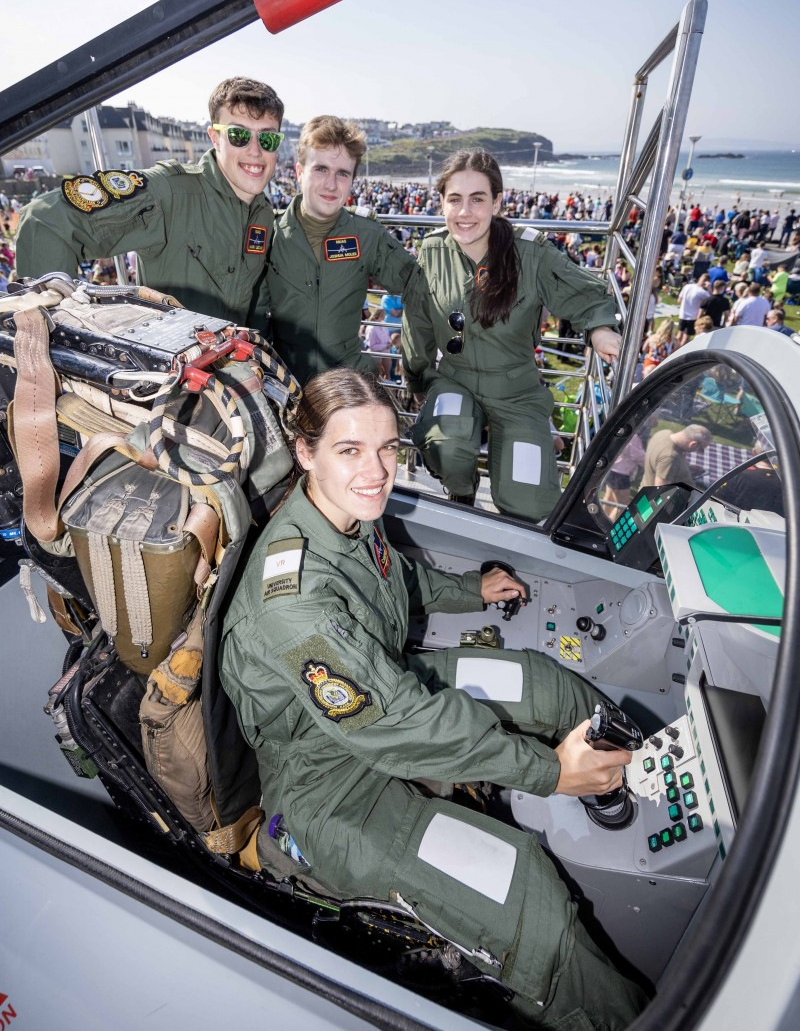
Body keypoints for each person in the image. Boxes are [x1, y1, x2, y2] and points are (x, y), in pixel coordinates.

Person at [220, 370, 646, 1030]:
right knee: (525, 893)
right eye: (351, 450)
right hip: (325, 791)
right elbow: (402, 720)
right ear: (306, 452)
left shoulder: (348, 515)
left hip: (378, 698)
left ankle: (640, 777)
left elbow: (396, 578)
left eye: (389, 447)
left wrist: (471, 591)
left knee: (543, 682)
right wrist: (549, 773)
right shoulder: (296, 601)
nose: (378, 470)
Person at [402, 151, 620, 520]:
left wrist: (599, 328)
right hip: (456, 380)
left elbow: (582, 291)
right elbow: (418, 322)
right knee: (447, 445)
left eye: (477, 199)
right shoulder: (432, 251)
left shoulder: (531, 253)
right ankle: (461, 491)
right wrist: (420, 378)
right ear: (441, 203)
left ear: (497, 202)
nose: (465, 212)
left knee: (528, 499)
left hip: (517, 391)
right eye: (454, 199)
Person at [16, 77, 285, 324]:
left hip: (230, 368)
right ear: (214, 138)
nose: (255, 151)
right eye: (238, 135)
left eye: (268, 138)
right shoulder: (169, 192)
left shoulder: (262, 213)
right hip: (170, 372)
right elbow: (46, 218)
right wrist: (56, 333)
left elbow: (255, 302)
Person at [261, 116, 419, 385]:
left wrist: (417, 360)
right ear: (300, 172)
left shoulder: (367, 235)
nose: (331, 184)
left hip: (348, 384)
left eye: (342, 173)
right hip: (283, 382)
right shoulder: (267, 234)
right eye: (321, 169)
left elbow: (421, 289)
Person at [641, 424, 711, 488]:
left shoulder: (664, 433)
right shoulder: (671, 457)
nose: (699, 452)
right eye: (701, 449)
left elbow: (659, 465)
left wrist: (685, 468)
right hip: (648, 500)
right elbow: (659, 492)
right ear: (693, 444)